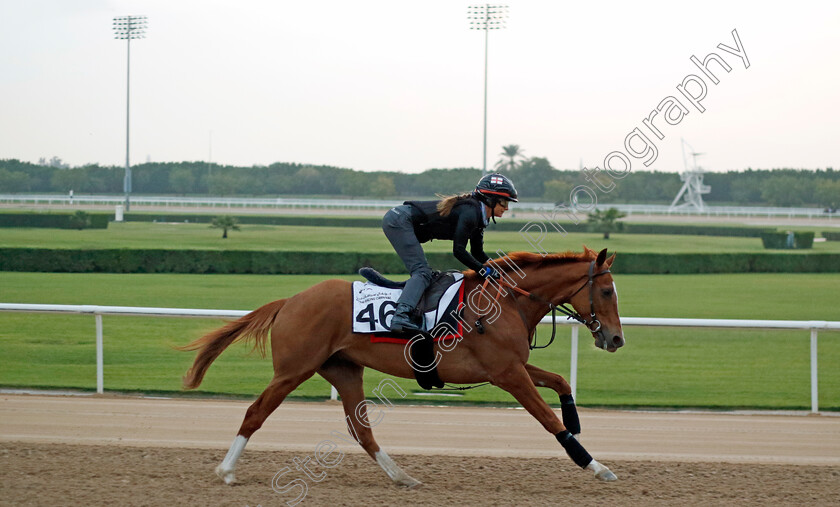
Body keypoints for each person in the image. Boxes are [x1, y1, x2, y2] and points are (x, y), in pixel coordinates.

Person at [382, 173, 518, 333]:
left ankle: (414, 311)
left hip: (403, 221)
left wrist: (500, 269)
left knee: (425, 274)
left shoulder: (479, 218)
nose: (507, 208)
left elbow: (477, 252)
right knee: (422, 272)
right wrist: (484, 270)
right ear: (489, 199)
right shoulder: (470, 213)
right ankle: (401, 316)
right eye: (503, 202)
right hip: (399, 220)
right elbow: (459, 251)